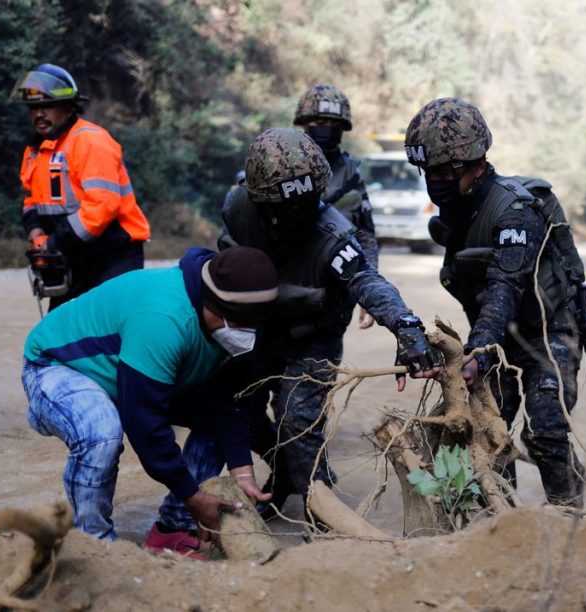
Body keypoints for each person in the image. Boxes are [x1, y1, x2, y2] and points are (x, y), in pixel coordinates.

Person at [154, 128, 443, 533]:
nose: (301, 214)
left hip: (314, 334)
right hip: (258, 327)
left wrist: (406, 327)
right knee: (232, 406)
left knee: (298, 420)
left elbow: (368, 282)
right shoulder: (237, 208)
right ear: (261, 201)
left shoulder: (334, 235)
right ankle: (279, 475)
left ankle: (317, 506)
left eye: (311, 202)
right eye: (288, 206)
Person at [22, 246, 279, 556]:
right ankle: (94, 545)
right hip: (57, 366)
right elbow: (145, 423)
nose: (245, 334)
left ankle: (171, 529)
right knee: (101, 432)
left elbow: (231, 400)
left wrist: (243, 474)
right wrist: (192, 495)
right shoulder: (163, 320)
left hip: (131, 375)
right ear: (213, 306)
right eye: (239, 325)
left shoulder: (239, 318)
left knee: (214, 420)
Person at [404, 98, 586, 506]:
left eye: (445, 171)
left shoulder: (514, 211)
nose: (435, 181)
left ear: (477, 163)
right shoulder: (456, 212)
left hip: (548, 335)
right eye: (429, 173)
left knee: (545, 431)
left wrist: (479, 354)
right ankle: (501, 522)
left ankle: (569, 517)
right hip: (496, 339)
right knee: (488, 433)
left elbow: (504, 288)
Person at [11, 63, 151, 310]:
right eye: (34, 108)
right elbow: (31, 201)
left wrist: (55, 241)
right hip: (73, 252)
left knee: (111, 325)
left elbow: (103, 206)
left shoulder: (89, 141)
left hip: (113, 254)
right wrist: (36, 234)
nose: (39, 114)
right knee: (61, 328)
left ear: (68, 106)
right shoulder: (34, 151)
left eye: (47, 106)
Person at [294, 84, 378, 329]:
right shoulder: (282, 161)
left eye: (334, 125)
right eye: (320, 121)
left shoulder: (351, 174)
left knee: (321, 365)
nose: (326, 129)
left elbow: (367, 235)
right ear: (305, 122)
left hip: (331, 297)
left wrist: (369, 290)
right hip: (282, 291)